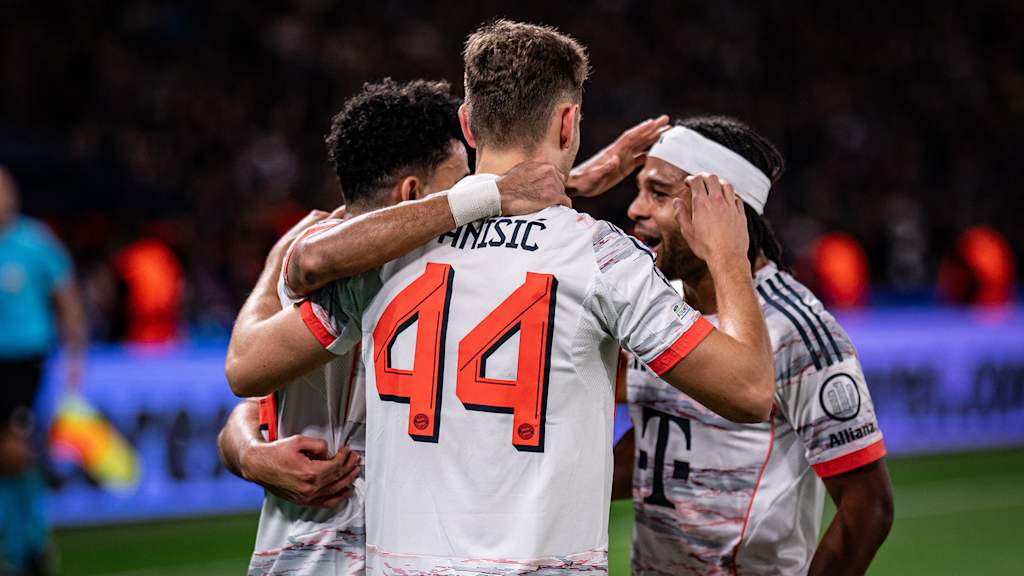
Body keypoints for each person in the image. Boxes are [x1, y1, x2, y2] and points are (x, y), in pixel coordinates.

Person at [225, 20, 774, 574]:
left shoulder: (382, 254)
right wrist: (729, 256)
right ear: (568, 123)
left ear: (467, 123)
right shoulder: (601, 257)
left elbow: (251, 368)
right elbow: (749, 392)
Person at [218, 78, 571, 575]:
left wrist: (250, 453)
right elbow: (248, 372)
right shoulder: (348, 263)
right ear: (413, 192)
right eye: (460, 179)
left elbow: (249, 405)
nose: (474, 192)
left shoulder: (423, 260)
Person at [609, 116, 894, 575]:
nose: (636, 210)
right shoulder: (659, 306)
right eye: (641, 190)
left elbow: (869, 505)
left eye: (658, 193)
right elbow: (660, 440)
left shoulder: (796, 327)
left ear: (724, 209)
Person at [0, 166, 87, 576]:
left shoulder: (35, 242)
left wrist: (75, 356)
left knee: (18, 454)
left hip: (26, 364)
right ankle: (21, 546)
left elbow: (66, 298)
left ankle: (29, 547)